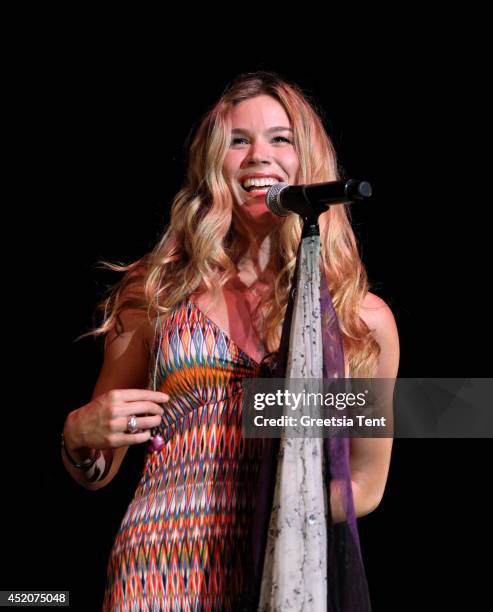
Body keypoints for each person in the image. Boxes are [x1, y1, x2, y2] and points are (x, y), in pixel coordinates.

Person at [61, 71, 400, 611]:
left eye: (280, 139)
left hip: (279, 570)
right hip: (160, 567)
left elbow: (366, 483)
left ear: (308, 159)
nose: (257, 156)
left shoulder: (361, 320)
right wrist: (79, 433)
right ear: (213, 162)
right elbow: (97, 467)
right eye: (238, 140)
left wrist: (274, 508)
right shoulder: (157, 292)